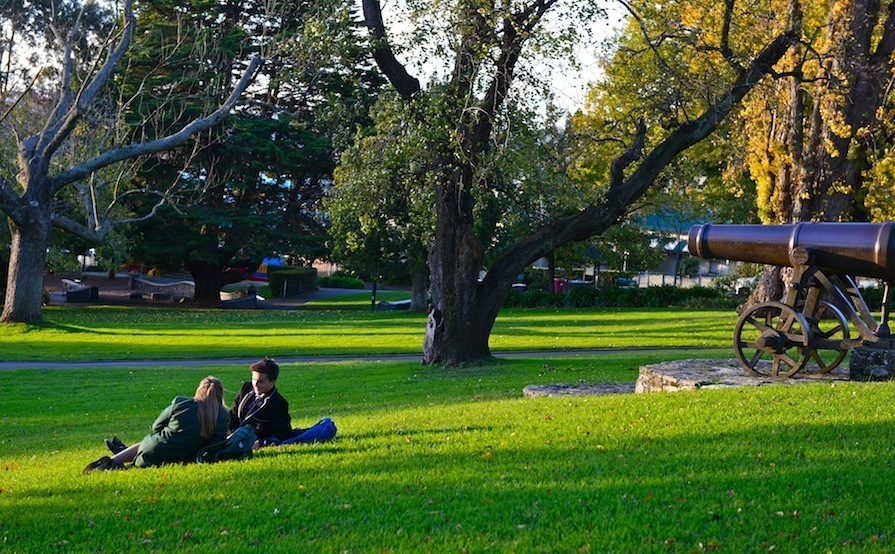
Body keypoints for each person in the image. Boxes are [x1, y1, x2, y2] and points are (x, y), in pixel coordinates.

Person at [84, 376, 230, 472]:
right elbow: (216, 444)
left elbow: (156, 427)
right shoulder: (223, 416)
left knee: (149, 443)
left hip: (154, 450)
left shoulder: (181, 403)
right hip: (185, 456)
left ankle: (109, 462)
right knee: (147, 448)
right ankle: (118, 456)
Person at [229, 358, 336, 448]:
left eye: (261, 381)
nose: (255, 384)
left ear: (272, 381)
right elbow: (233, 414)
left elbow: (282, 433)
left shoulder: (278, 403)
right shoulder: (246, 389)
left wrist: (261, 442)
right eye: (254, 379)